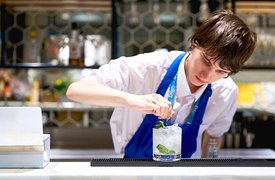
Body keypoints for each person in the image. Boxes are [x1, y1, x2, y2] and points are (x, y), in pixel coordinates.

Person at [66, 10, 257, 158]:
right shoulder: (149, 67)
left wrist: (209, 171)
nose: (207, 75)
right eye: (206, 60)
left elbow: (214, 136)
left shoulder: (225, 91)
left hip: (188, 173)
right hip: (131, 169)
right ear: (195, 43)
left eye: (221, 71)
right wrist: (132, 101)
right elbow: (76, 90)